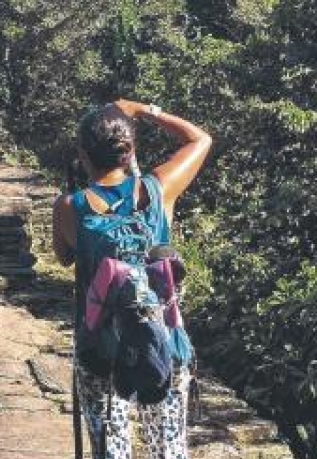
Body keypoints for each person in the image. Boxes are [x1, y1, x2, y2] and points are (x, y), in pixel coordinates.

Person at [52, 99, 213, 459]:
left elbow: (64, 258)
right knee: (169, 447)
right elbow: (200, 139)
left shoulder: (69, 207)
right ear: (130, 151)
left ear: (82, 153)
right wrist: (144, 110)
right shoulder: (159, 191)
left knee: (111, 446)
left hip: (100, 347)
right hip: (164, 340)